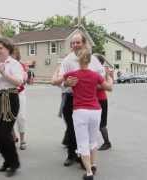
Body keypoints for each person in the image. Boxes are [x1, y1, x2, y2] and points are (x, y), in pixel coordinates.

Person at [56, 48, 113, 180]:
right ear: (90, 60)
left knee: (82, 142)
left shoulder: (73, 74)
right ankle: (93, 164)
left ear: (78, 60)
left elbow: (55, 81)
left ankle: (88, 172)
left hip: (80, 111)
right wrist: (109, 77)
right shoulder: (95, 75)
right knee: (93, 140)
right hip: (95, 110)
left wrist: (65, 81)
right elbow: (109, 87)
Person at [52, 33, 105, 167]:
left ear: (84, 43)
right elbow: (58, 80)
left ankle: (84, 159)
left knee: (87, 131)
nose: (75, 45)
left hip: (89, 99)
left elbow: (102, 76)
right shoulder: (67, 60)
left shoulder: (93, 60)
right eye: (73, 43)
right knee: (71, 128)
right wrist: (66, 83)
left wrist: (93, 85)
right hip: (70, 97)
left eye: (78, 42)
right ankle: (71, 155)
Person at [0, 37, 23, 177]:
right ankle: (8, 160)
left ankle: (14, 162)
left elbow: (19, 82)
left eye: (1, 48)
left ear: (8, 49)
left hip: (9, 98)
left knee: (4, 133)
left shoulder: (14, 64)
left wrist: (3, 73)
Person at [93, 54, 112, 150]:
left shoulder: (102, 71)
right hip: (94, 99)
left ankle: (107, 143)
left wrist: (91, 86)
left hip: (101, 99)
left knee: (101, 123)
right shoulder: (95, 70)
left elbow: (105, 86)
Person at [12, 46, 28, 150]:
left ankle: (22, 140)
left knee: (21, 117)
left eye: (13, 53)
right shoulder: (4, 64)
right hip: (6, 93)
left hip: (19, 93)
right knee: (8, 117)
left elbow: (25, 80)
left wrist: (27, 76)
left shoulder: (21, 65)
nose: (11, 56)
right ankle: (13, 136)